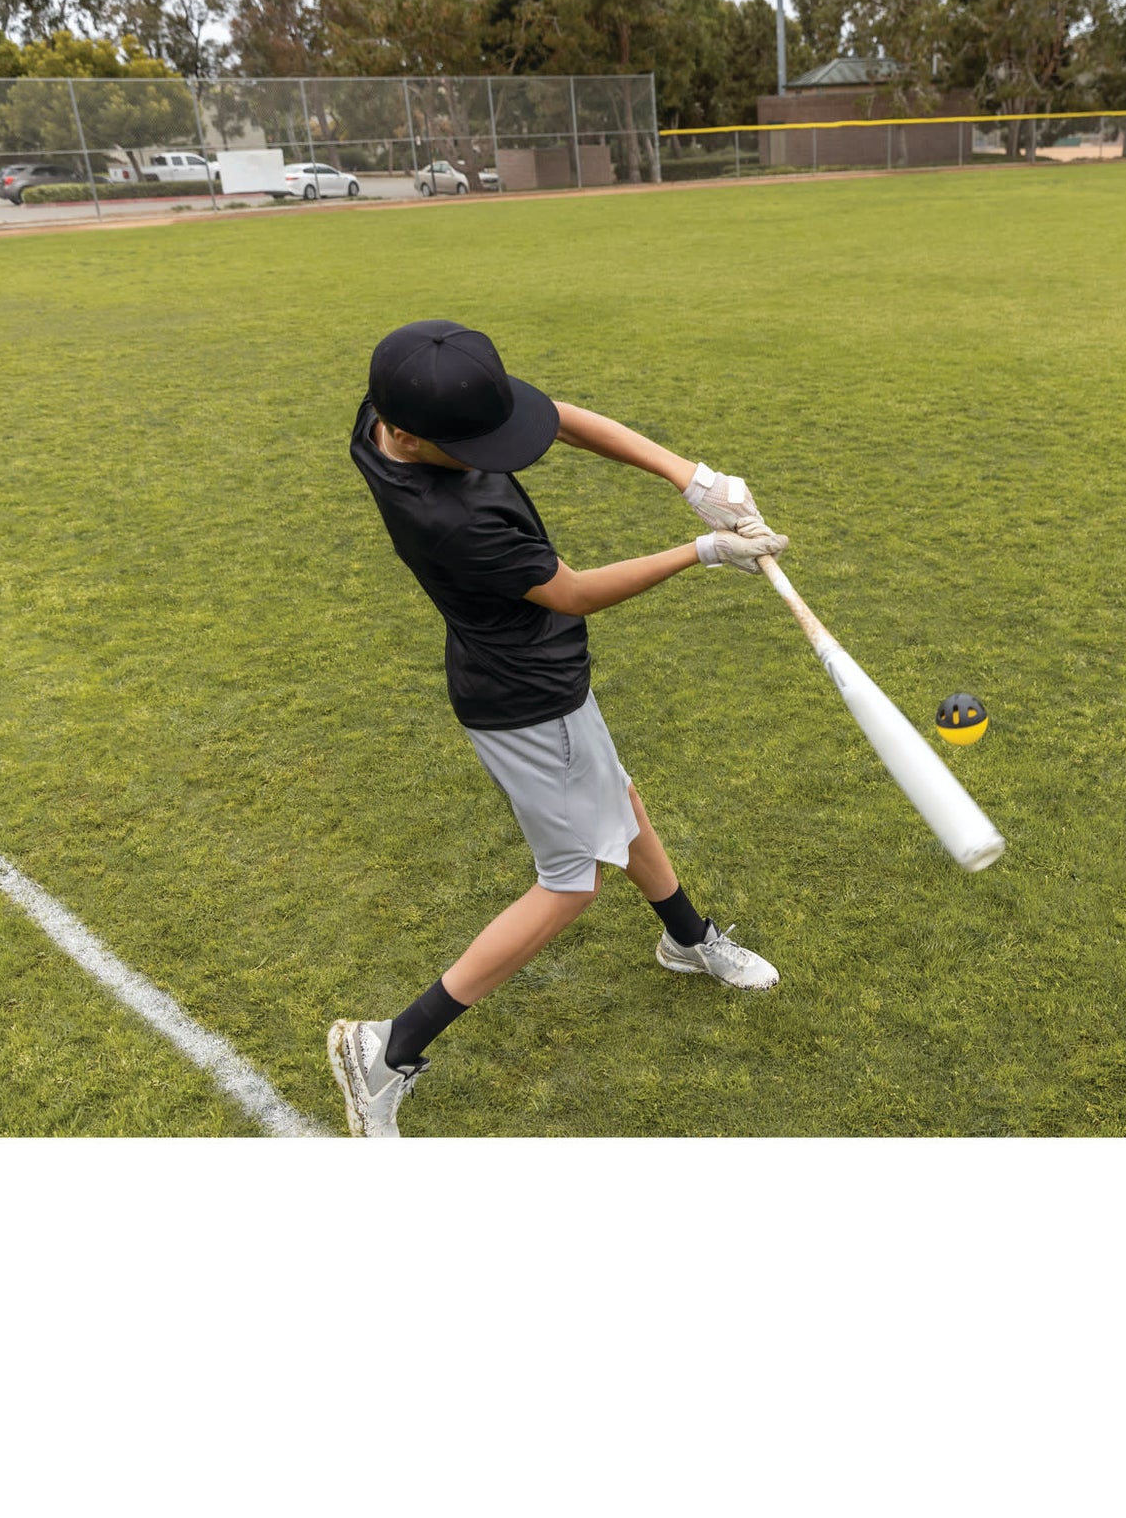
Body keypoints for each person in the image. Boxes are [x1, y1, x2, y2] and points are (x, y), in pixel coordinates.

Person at [329, 319, 790, 1137]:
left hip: (516, 674)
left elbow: (555, 416)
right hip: (528, 699)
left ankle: (687, 938)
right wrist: (701, 550)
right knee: (571, 881)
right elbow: (572, 592)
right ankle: (388, 1048)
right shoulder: (451, 522)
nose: (496, 451)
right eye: (474, 442)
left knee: (619, 800)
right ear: (408, 434)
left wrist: (691, 474)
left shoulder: (389, 412)